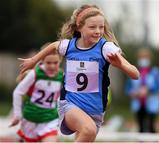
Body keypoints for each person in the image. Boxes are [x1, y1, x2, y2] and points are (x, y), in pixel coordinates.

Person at [18, 4, 139, 142]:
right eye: (92, 27)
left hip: (96, 110)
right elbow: (53, 46)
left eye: (101, 27)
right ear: (79, 27)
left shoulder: (106, 48)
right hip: (70, 104)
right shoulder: (69, 46)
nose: (98, 31)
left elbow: (135, 74)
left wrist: (121, 65)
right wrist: (33, 61)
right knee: (89, 130)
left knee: (87, 134)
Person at [9, 49, 63, 142]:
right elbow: (18, 92)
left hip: (49, 119)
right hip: (30, 119)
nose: (52, 66)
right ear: (42, 61)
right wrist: (18, 115)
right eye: (48, 63)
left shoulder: (61, 76)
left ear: (60, 61)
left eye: (55, 63)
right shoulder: (34, 74)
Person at [126, 48, 159, 133]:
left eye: (145, 57)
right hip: (138, 103)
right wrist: (132, 92)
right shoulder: (133, 70)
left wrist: (148, 90)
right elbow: (128, 87)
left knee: (151, 126)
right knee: (140, 127)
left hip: (152, 103)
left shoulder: (155, 72)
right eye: (141, 57)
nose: (143, 59)